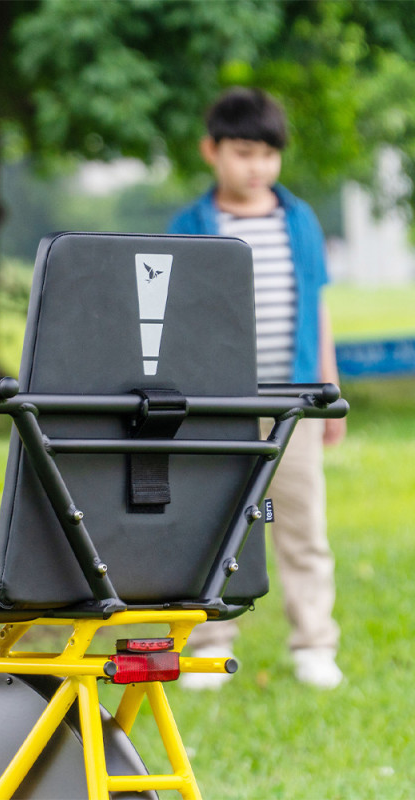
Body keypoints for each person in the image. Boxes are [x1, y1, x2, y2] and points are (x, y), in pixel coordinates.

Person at [168, 87, 347, 689]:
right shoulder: (191, 226)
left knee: (299, 522)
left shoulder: (299, 220)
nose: (257, 167)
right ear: (211, 151)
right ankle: (211, 644)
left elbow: (317, 309)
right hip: (217, 405)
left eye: (269, 155)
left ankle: (314, 643)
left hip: (293, 402)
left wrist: (329, 393)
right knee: (218, 523)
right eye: (243, 153)